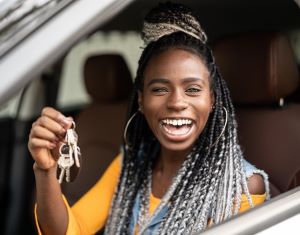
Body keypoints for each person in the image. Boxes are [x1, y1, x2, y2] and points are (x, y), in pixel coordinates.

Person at [28, 2, 270, 235]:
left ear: (213, 100)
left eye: (193, 89)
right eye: (159, 89)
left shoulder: (241, 188)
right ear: (141, 102)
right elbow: (70, 230)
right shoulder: (130, 165)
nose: (176, 102)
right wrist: (45, 170)